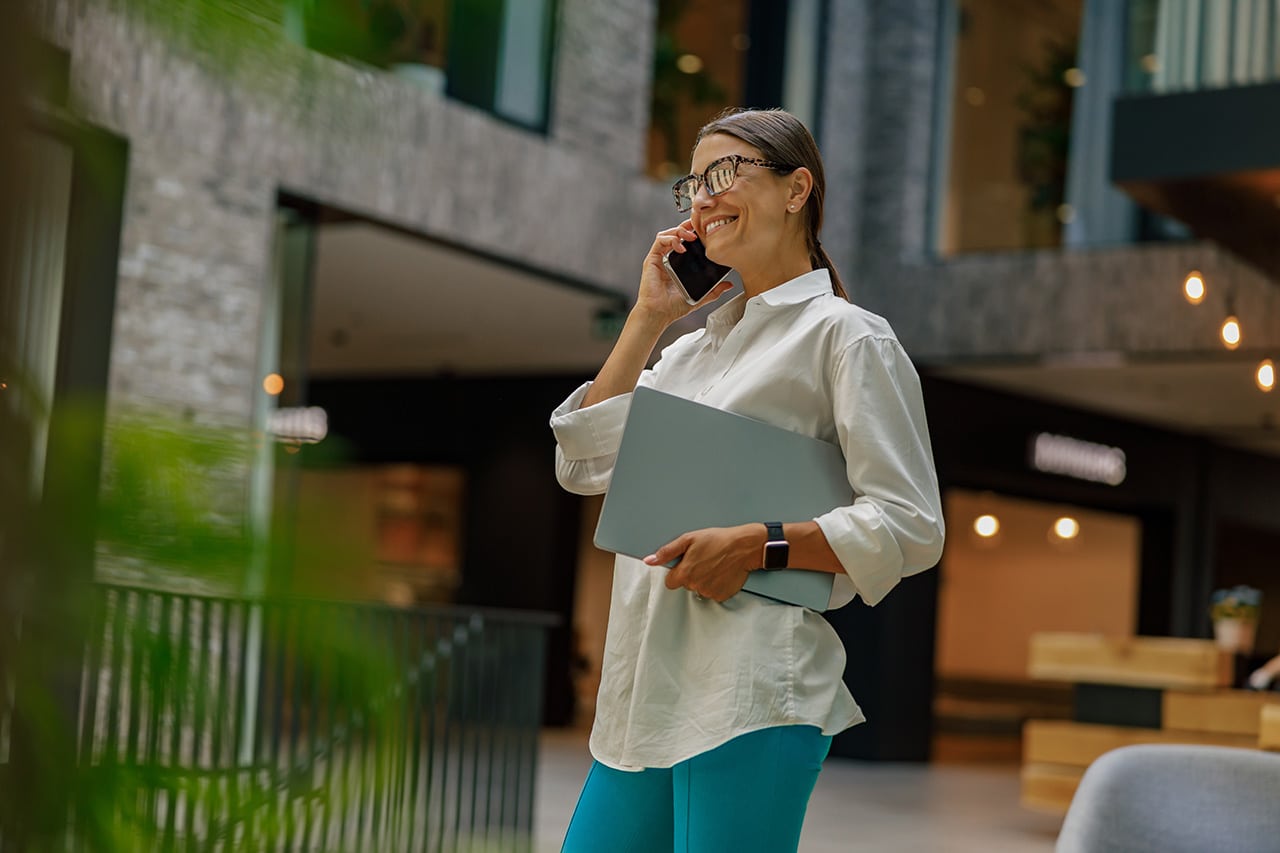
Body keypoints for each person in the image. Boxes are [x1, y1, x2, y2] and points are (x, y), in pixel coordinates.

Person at [549, 107, 945, 853]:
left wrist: (761, 544)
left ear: (799, 190)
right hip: (640, 699)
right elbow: (582, 466)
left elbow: (911, 523)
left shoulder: (848, 336)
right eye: (693, 183)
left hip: (750, 693)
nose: (703, 197)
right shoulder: (687, 352)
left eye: (726, 172)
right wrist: (648, 317)